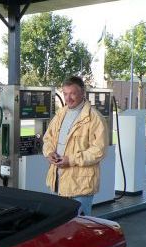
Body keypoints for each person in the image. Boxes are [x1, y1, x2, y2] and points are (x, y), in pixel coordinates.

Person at [43, 76, 108, 216]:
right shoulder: (60, 114)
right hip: (57, 182)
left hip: (80, 186)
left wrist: (71, 160)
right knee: (58, 227)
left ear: (82, 93)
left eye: (72, 93)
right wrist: (49, 153)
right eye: (65, 94)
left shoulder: (94, 118)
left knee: (78, 228)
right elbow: (48, 138)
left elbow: (99, 151)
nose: (68, 98)